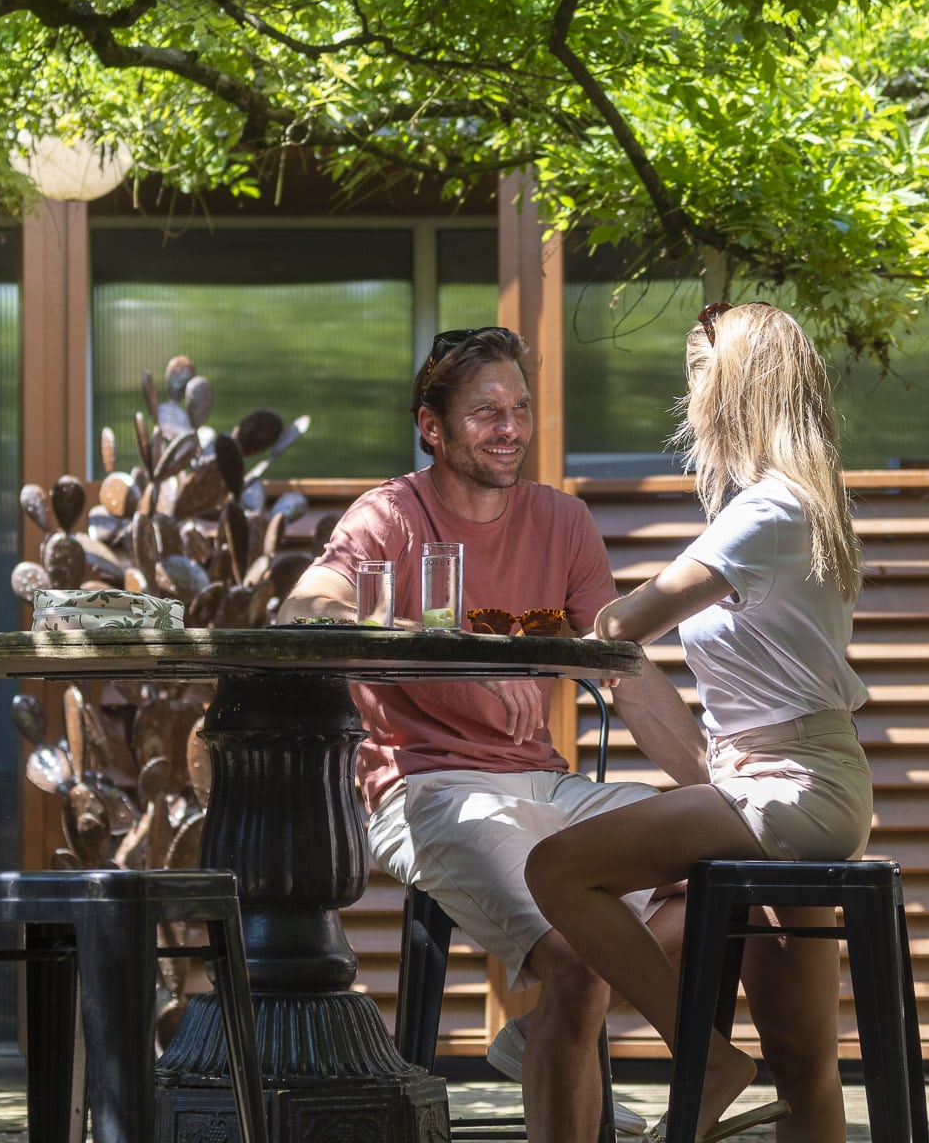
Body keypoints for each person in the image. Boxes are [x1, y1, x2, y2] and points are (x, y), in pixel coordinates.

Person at [278, 325, 709, 1143]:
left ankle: (547, 1025)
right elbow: (306, 604)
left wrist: (717, 794)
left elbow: (622, 668)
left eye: (519, 408)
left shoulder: (564, 520)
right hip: (427, 786)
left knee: (722, 868)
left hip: (544, 781)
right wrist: (398, 633)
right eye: (485, 412)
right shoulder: (390, 514)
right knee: (576, 960)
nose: (510, 428)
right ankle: (568, 1007)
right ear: (431, 426)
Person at [526, 302, 873, 1143]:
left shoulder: (767, 513)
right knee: (803, 1065)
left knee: (557, 869)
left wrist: (574, 623)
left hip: (786, 787)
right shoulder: (798, 504)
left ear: (736, 391)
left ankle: (704, 1058)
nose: (690, 404)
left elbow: (623, 624)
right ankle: (708, 1058)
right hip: (795, 783)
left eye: (699, 382)